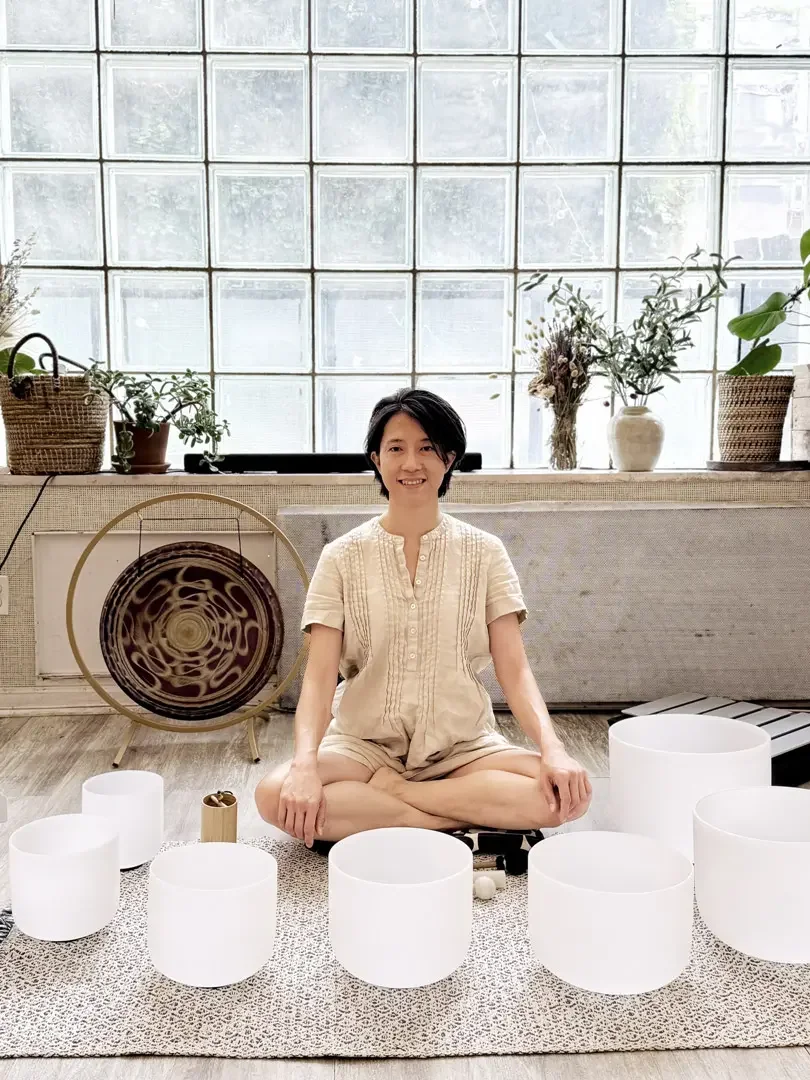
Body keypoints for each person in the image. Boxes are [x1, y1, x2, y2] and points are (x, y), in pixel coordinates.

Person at [255, 388, 592, 848]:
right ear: (376, 458)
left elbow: (515, 670)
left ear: (449, 458)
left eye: (427, 448)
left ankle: (398, 801)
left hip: (463, 745)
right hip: (362, 745)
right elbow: (317, 679)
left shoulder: (486, 553)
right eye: (396, 448)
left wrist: (553, 750)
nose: (411, 463)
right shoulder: (340, 558)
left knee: (564, 794)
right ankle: (445, 821)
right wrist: (306, 765)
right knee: (274, 794)